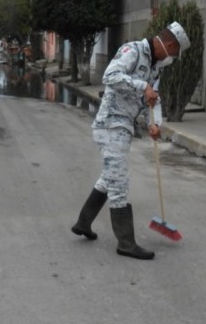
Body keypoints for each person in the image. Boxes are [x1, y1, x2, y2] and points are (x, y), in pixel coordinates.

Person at [71, 22, 190, 259]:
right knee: (119, 183)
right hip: (111, 124)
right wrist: (143, 86)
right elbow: (110, 76)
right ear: (168, 45)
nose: (173, 58)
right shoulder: (132, 51)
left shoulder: (155, 69)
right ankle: (125, 243)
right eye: (175, 53)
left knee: (109, 178)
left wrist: (155, 123)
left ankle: (83, 223)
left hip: (124, 127)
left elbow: (152, 100)